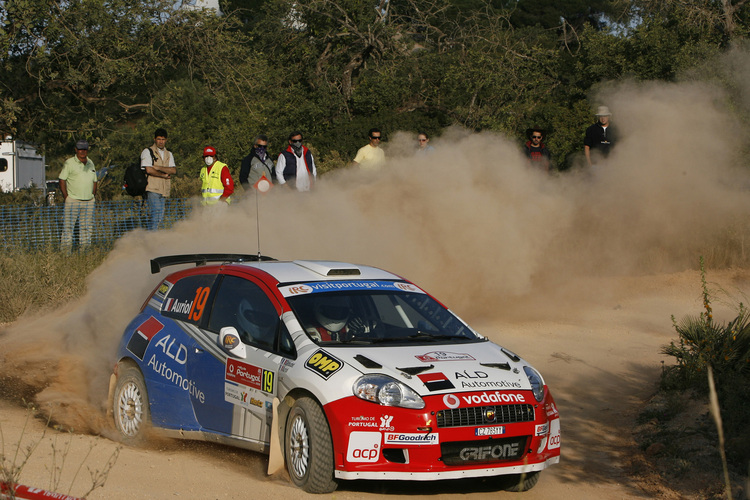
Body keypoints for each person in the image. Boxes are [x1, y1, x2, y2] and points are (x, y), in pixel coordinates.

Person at [59, 139, 97, 252]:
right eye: (80, 149)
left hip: (89, 201)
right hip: (73, 200)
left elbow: (95, 180)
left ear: (87, 150)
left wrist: (93, 195)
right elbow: (62, 180)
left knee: (87, 228)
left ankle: (85, 251)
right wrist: (67, 197)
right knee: (68, 228)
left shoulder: (91, 162)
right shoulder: (69, 163)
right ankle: (66, 253)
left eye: (84, 149)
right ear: (76, 150)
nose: (82, 151)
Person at [141, 128, 176, 231]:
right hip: (153, 188)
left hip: (164, 190)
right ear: (154, 139)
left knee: (160, 216)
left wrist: (158, 167)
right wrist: (163, 175)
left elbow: (173, 170)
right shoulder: (148, 151)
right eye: (159, 139)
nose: (161, 141)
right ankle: (152, 238)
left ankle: (154, 236)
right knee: (155, 215)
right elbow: (148, 169)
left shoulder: (169, 154)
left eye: (163, 139)